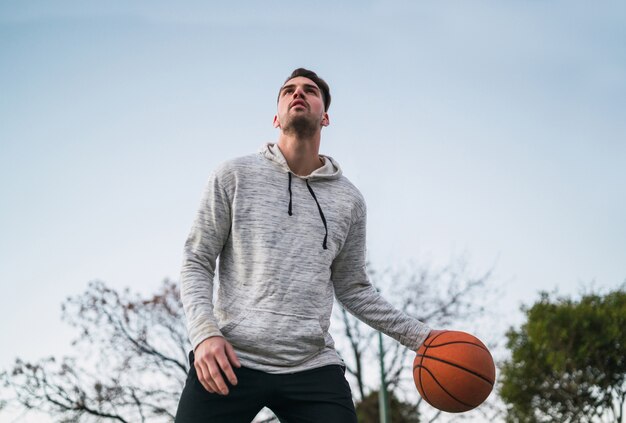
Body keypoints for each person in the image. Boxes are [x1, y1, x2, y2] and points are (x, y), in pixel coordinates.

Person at [175, 68, 436, 423]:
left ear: (325, 116)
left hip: (311, 365)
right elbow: (197, 260)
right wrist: (204, 334)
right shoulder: (232, 175)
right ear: (276, 116)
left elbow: (354, 288)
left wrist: (424, 337)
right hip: (231, 356)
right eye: (288, 91)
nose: (298, 94)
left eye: (309, 91)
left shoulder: (349, 201)